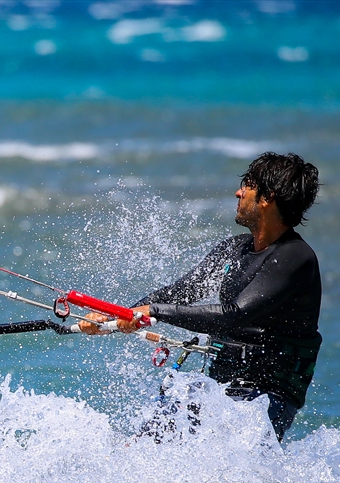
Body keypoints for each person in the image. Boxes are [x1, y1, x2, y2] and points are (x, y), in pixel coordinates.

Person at [82, 152, 323, 441]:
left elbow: (236, 315)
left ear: (267, 197)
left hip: (265, 399)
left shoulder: (295, 257)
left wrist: (156, 312)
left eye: (247, 185)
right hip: (216, 388)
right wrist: (117, 316)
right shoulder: (234, 249)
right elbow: (181, 293)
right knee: (142, 445)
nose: (238, 192)